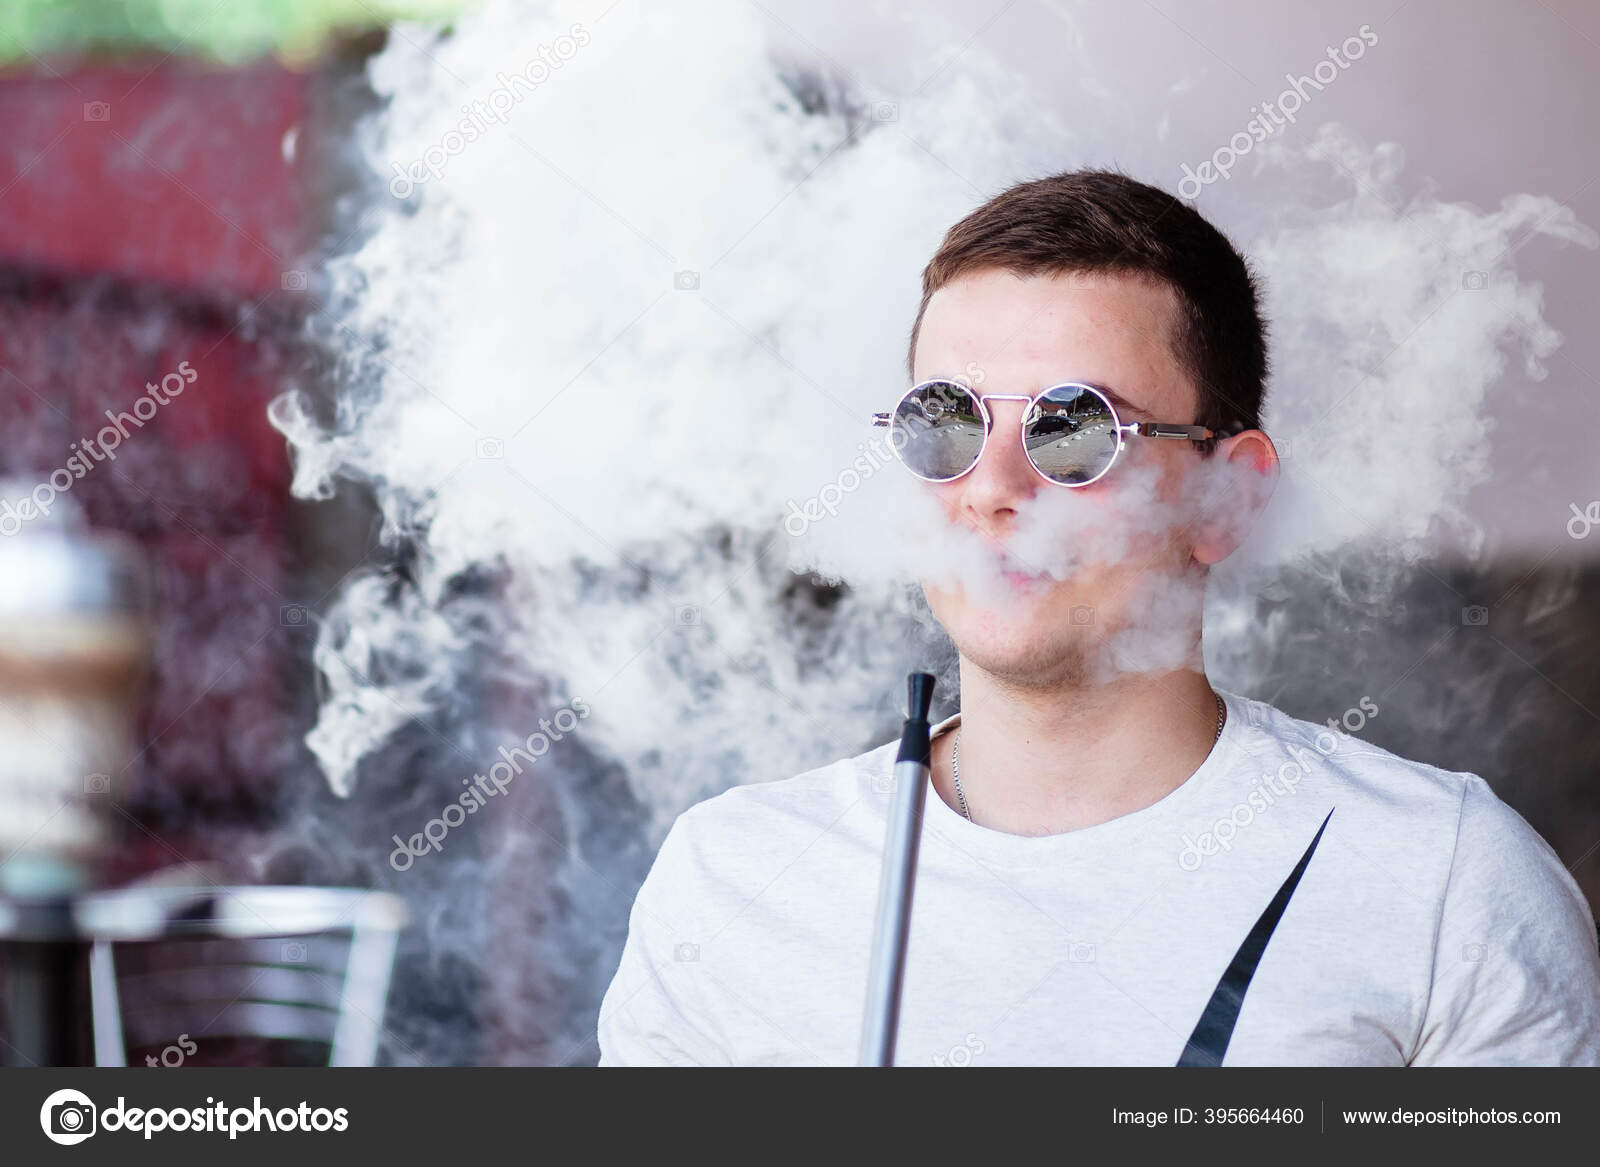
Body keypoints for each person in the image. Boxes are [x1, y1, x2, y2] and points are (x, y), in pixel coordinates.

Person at [597, 170, 1600, 1066]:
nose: (991, 487)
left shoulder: (1443, 883)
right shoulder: (731, 880)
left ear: (1228, 499)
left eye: (1073, 429)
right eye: (945, 421)